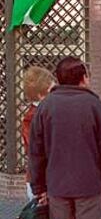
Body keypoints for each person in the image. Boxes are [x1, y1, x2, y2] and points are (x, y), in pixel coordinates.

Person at [29, 56, 101, 219]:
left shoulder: (45, 108)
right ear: (83, 78)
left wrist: (39, 188)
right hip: (90, 186)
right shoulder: (97, 107)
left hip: (57, 186)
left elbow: (36, 152)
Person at [22, 66, 55, 200]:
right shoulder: (33, 117)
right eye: (51, 90)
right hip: (41, 180)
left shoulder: (39, 113)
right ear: (41, 94)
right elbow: (36, 150)